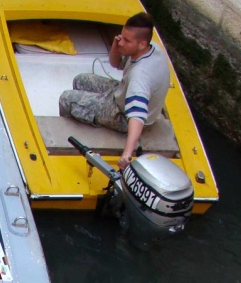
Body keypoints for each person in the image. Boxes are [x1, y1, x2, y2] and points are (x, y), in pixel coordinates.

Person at [58, 12, 170, 170]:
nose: (121, 42)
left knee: (66, 99)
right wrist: (116, 47)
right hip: (122, 92)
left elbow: (137, 116)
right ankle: (88, 112)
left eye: (126, 40)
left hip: (124, 114)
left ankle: (67, 135)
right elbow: (115, 63)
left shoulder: (140, 77)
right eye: (121, 36)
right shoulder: (151, 49)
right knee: (80, 80)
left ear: (141, 44)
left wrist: (127, 153)